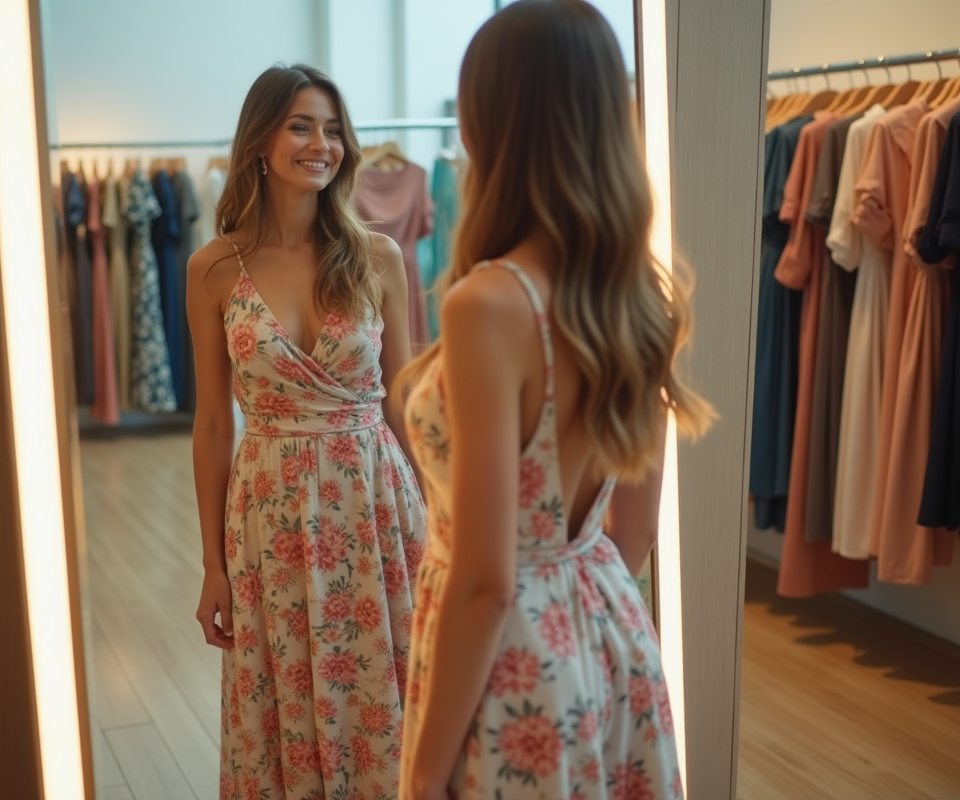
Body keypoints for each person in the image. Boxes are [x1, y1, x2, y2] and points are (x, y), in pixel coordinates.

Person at [396, 2, 715, 799]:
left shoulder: (490, 305)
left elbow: (485, 578)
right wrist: (575, 618)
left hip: (510, 658)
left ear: (490, 124)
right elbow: (634, 529)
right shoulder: (637, 294)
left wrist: (423, 775)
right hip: (606, 633)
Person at [187, 63, 427, 800]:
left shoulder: (378, 257)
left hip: (374, 499)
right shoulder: (214, 269)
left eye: (331, 129)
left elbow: (409, 402)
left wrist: (442, 519)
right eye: (300, 125)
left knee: (394, 687)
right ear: (259, 140)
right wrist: (213, 566)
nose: (321, 143)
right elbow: (209, 425)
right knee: (283, 694)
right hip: (270, 515)